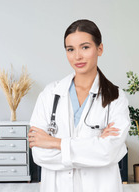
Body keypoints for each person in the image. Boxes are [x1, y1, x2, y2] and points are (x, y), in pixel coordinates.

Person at [29, 19, 130, 192]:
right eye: (70, 49)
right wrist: (93, 145)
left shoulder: (115, 97)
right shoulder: (50, 94)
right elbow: (39, 153)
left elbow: (108, 152)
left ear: (100, 49)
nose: (77, 56)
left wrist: (54, 142)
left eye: (85, 47)